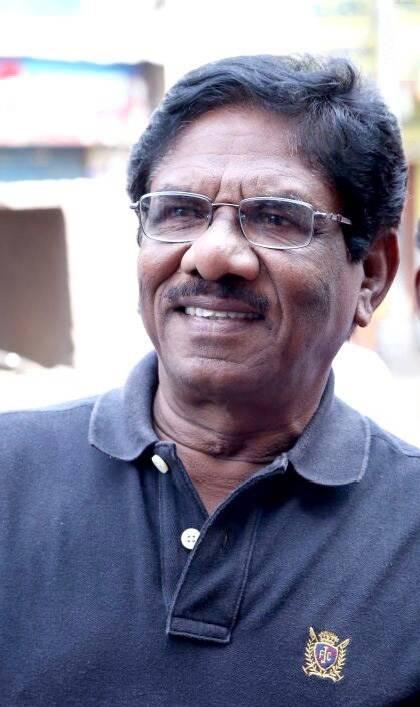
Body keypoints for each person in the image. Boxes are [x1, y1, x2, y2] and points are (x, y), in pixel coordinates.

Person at [1, 54, 418, 706]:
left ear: (371, 273)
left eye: (276, 216)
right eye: (179, 211)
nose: (213, 254)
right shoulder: (10, 476)